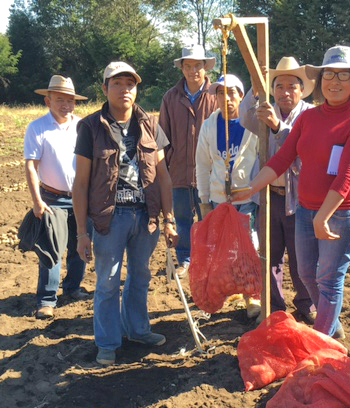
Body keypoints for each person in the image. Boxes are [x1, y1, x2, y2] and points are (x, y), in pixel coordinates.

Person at [233, 46, 350, 338]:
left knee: (328, 278)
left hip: (341, 213)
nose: (335, 81)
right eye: (329, 74)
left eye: (343, 76)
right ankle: (332, 327)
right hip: (305, 209)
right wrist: (251, 188)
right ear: (321, 79)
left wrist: (323, 216)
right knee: (307, 274)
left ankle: (321, 343)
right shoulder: (309, 119)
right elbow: (282, 158)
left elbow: (347, 174)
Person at [72, 62, 179, 366]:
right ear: (105, 89)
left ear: (137, 89)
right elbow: (80, 183)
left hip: (146, 217)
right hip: (109, 218)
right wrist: (82, 232)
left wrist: (169, 219)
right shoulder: (90, 127)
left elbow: (164, 176)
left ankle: (137, 329)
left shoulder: (151, 125)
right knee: (107, 281)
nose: (124, 90)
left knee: (141, 276)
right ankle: (107, 343)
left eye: (129, 84)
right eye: (117, 84)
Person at [239, 56, 316, 323]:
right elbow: (245, 117)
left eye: (291, 87)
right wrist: (253, 88)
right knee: (269, 256)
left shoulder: (311, 114)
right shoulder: (265, 109)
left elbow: (302, 146)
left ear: (301, 90)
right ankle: (274, 307)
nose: (285, 92)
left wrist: (277, 127)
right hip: (269, 197)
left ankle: (307, 306)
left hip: (299, 200)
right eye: (279, 86)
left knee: (301, 259)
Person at [24, 75, 91, 320]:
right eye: (60, 99)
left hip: (82, 197)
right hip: (52, 198)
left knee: (80, 244)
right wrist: (36, 201)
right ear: (47, 100)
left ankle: (72, 288)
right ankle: (46, 299)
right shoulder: (37, 128)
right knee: (51, 250)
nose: (66, 105)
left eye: (70, 100)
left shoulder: (83, 126)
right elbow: (31, 166)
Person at [195, 73, 261, 318]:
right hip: (218, 198)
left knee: (248, 247)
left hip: (246, 198)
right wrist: (203, 200)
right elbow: (202, 164)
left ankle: (252, 296)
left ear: (241, 96)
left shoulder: (251, 124)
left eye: (231, 92)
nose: (226, 98)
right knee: (222, 249)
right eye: (220, 93)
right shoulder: (210, 125)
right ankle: (221, 291)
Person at [159, 45, 218, 278]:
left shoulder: (216, 94)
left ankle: (209, 262)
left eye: (197, 66)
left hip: (210, 172)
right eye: (188, 66)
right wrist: (167, 164)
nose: (193, 70)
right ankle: (185, 259)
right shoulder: (170, 97)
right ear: (182, 69)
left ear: (205, 67)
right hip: (179, 171)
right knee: (183, 219)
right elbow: (163, 135)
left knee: (208, 220)